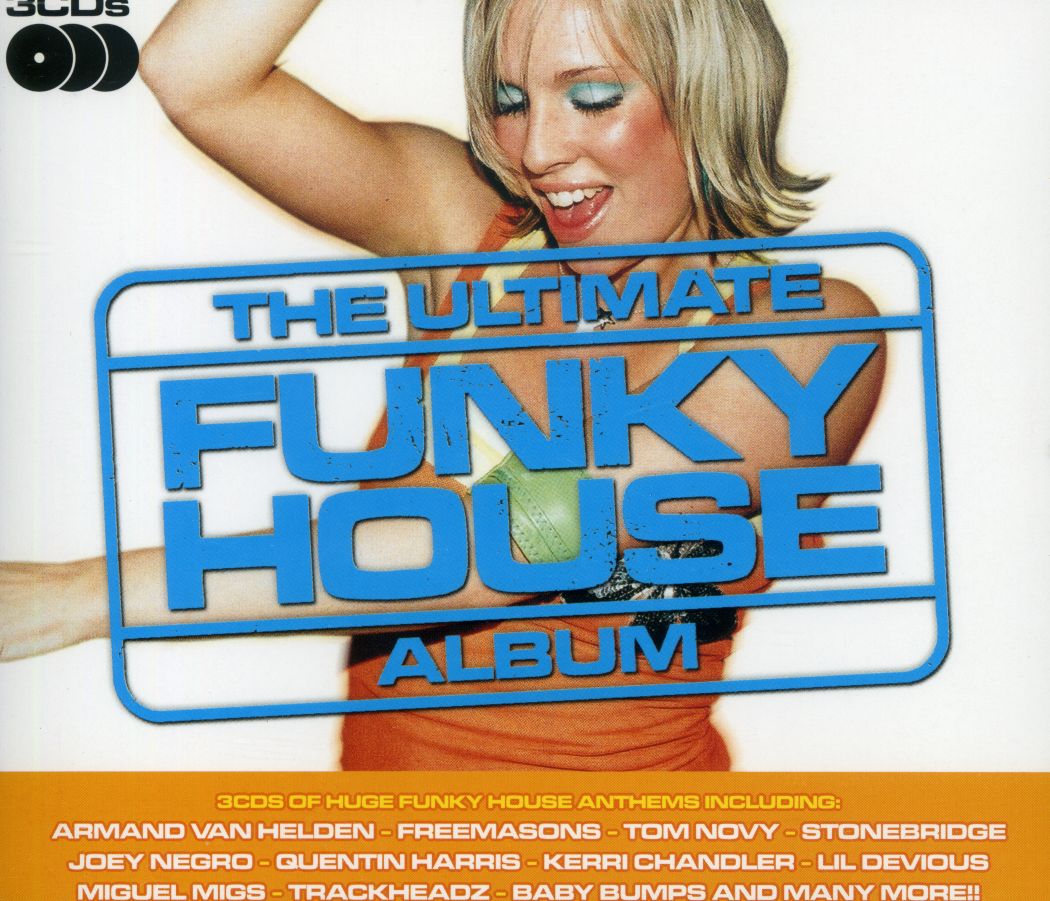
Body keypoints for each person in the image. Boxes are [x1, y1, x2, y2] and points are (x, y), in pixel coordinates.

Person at [0, 0, 885, 768]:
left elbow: (507, 545)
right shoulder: (472, 237)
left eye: (591, 96)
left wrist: (80, 595)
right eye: (510, 100)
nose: (537, 149)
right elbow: (196, 74)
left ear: (708, 90)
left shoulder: (810, 331)